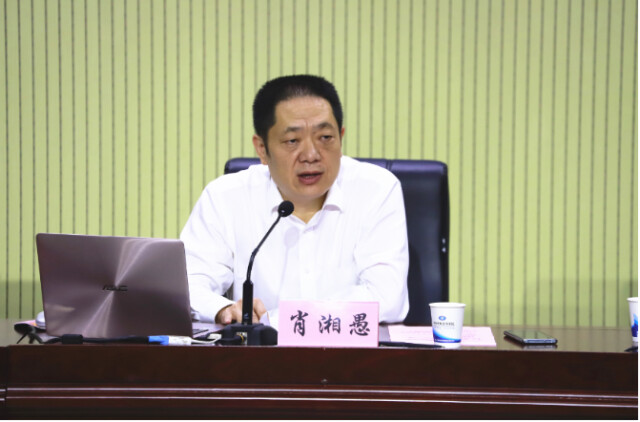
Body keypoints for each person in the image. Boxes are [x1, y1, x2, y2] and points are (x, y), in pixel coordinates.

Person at [180, 75, 409, 327]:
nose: (311, 155)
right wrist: (222, 308)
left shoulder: (376, 190)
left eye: (325, 137)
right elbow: (187, 285)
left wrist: (276, 320)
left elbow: (386, 298)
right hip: (259, 352)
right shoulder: (225, 197)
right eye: (292, 141)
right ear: (262, 148)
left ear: (341, 137)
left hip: (350, 351)